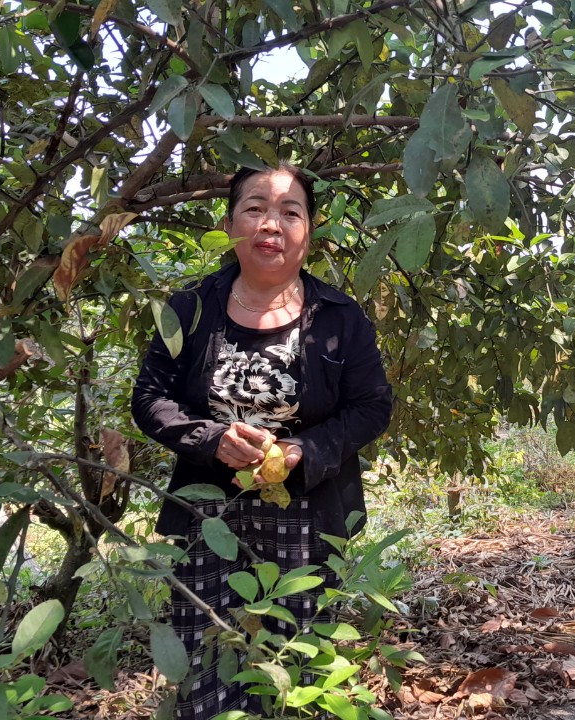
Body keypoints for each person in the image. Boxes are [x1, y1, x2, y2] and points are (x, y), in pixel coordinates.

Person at [132, 163, 393, 719]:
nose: (270, 224)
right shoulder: (190, 308)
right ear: (230, 225)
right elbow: (150, 399)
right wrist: (210, 437)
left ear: (309, 232)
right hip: (208, 516)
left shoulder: (341, 319)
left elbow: (372, 407)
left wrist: (303, 451)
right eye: (255, 208)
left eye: (289, 212)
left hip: (309, 517)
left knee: (296, 675)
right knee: (206, 667)